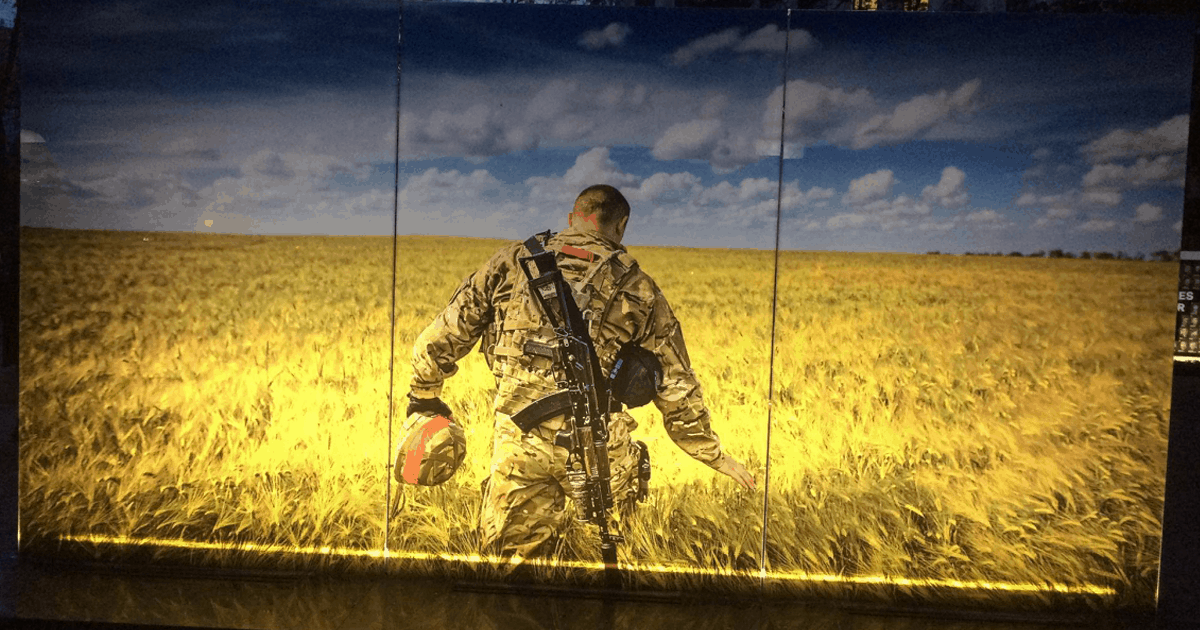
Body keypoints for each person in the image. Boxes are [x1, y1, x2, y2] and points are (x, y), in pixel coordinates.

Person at [407, 184, 755, 559]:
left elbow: (441, 337)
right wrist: (712, 454)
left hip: (518, 443)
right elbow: (676, 384)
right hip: (599, 446)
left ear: (572, 219)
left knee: (511, 565)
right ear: (621, 226)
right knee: (615, 558)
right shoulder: (638, 287)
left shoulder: (511, 263)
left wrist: (424, 398)